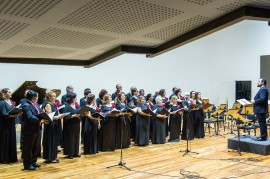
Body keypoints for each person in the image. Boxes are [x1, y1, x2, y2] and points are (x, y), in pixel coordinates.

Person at [22, 90, 44, 170]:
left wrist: (45, 117)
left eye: (36, 97)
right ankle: (27, 164)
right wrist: (40, 120)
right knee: (28, 147)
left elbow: (40, 113)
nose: (36, 99)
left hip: (37, 128)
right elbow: (30, 117)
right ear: (29, 98)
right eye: (34, 98)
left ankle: (33, 161)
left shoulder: (36, 104)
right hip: (30, 130)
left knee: (36, 146)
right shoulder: (26, 105)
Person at [42, 91, 65, 163]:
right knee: (50, 140)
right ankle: (49, 157)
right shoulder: (48, 105)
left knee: (54, 141)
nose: (55, 97)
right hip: (50, 125)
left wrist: (61, 116)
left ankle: (53, 156)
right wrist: (58, 116)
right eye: (53, 96)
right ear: (49, 97)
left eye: (55, 96)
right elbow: (50, 116)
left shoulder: (54, 104)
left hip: (55, 124)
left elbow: (57, 114)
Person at [0, 88, 21, 164]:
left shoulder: (11, 101)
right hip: (5, 124)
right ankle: (5, 158)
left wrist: (17, 113)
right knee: (5, 140)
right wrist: (14, 115)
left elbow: (13, 110)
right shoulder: (2, 102)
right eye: (9, 92)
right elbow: (4, 114)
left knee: (11, 139)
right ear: (5, 94)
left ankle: (11, 157)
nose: (11, 93)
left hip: (11, 123)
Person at [62, 92, 81, 159]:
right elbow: (65, 116)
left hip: (77, 124)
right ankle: (70, 153)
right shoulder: (67, 107)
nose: (76, 99)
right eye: (75, 98)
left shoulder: (77, 106)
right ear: (72, 99)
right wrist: (74, 115)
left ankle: (76, 152)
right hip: (70, 125)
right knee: (70, 139)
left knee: (76, 138)